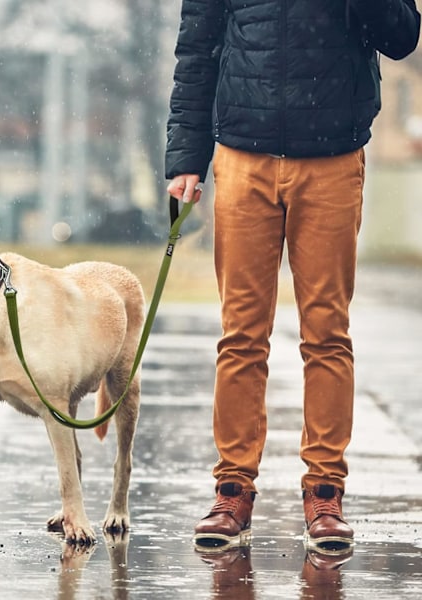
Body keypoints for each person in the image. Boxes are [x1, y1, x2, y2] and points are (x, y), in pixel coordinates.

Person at [165, 0, 420, 552]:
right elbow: (198, 51)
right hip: (241, 157)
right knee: (241, 334)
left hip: (332, 156)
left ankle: (325, 494)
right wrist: (187, 155)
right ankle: (232, 490)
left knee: (327, 332)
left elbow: (402, 36)